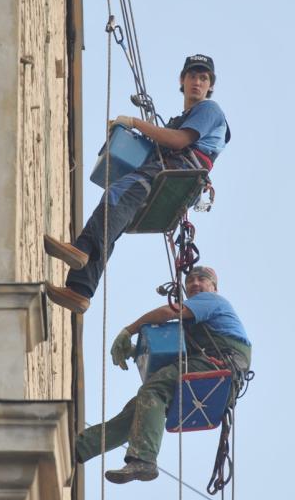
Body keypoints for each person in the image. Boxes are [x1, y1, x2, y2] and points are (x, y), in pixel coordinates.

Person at [44, 55, 231, 313]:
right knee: (114, 221)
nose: (197, 82)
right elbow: (167, 141)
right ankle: (80, 291)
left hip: (178, 169)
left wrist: (134, 122)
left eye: (203, 78)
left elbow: (178, 141)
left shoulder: (209, 110)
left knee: (115, 196)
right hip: (173, 173)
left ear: (210, 85)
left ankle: (81, 249)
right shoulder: (184, 117)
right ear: (182, 80)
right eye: (192, 76)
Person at [75, 266, 251, 484]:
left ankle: (144, 459)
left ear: (213, 287)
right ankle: (81, 448)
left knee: (154, 390)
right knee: (140, 407)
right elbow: (169, 345)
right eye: (190, 281)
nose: (195, 283)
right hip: (212, 367)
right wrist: (136, 351)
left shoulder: (212, 301)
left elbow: (168, 312)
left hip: (220, 363)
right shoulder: (195, 324)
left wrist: (129, 330)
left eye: (202, 279)